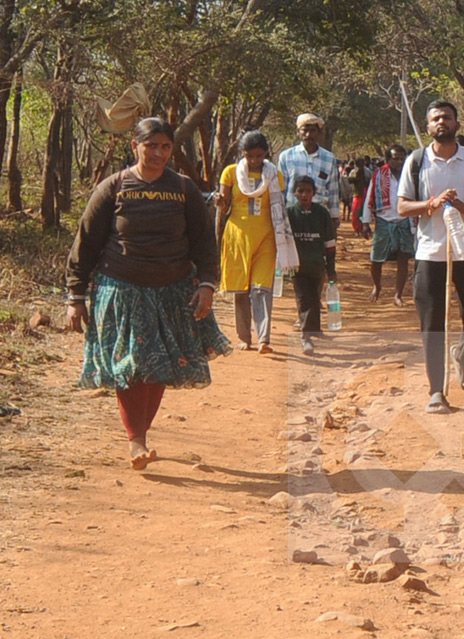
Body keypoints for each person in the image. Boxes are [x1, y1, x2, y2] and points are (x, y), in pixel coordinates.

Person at [66, 117, 231, 468]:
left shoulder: (184, 190)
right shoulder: (113, 188)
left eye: (166, 147)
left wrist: (206, 285)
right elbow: (86, 243)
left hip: (172, 291)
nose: (158, 153)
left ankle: (142, 433)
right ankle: (136, 441)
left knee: (159, 366)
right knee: (132, 365)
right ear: (135, 147)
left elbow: (204, 243)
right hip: (122, 290)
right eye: (151, 145)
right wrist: (76, 298)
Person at [396, 99, 464, 413]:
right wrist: (432, 203)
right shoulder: (416, 161)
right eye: (436, 118)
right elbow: (401, 206)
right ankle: (436, 391)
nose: (442, 122)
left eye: (447, 117)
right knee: (432, 324)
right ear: (427, 127)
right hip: (429, 253)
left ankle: (463, 354)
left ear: (457, 125)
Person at [217, 130, 297, 355]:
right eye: (250, 156)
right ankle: (244, 337)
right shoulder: (230, 173)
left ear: (266, 154)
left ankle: (264, 339)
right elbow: (223, 205)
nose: (254, 161)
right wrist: (219, 201)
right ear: (243, 154)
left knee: (262, 288)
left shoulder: (274, 175)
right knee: (240, 290)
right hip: (237, 236)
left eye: (259, 156)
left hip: (266, 237)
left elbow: (278, 208)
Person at [287, 175, 337, 356]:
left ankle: (315, 330)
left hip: (317, 266)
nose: (304, 195)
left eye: (308, 191)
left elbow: (330, 243)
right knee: (304, 300)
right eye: (300, 191)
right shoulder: (290, 214)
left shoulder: (321, 214)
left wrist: (331, 269)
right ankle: (305, 336)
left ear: (314, 193)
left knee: (315, 298)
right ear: (295, 193)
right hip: (297, 267)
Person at [362, 145, 415, 305]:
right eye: (395, 158)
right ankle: (377, 287)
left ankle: (398, 295)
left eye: (402, 158)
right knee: (376, 259)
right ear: (387, 160)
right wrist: (365, 222)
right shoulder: (379, 175)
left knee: (403, 259)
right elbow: (369, 198)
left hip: (405, 220)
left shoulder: (411, 175)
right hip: (384, 220)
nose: (399, 162)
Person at [277, 113, 341, 230]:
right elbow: (281, 190)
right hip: (293, 216)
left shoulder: (329, 158)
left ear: (319, 133)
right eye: (304, 130)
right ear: (298, 132)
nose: (308, 134)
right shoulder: (286, 157)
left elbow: (333, 190)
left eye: (312, 130)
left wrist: (334, 217)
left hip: (320, 217)